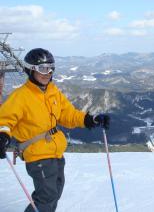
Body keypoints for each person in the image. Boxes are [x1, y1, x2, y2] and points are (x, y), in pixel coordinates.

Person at [0, 48, 110, 212]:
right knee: (46, 196)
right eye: (43, 68)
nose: (48, 73)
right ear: (31, 70)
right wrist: (3, 136)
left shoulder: (53, 92)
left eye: (51, 68)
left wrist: (89, 119)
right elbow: (5, 119)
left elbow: (68, 114)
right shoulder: (21, 96)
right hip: (38, 155)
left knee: (55, 192)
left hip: (56, 152)